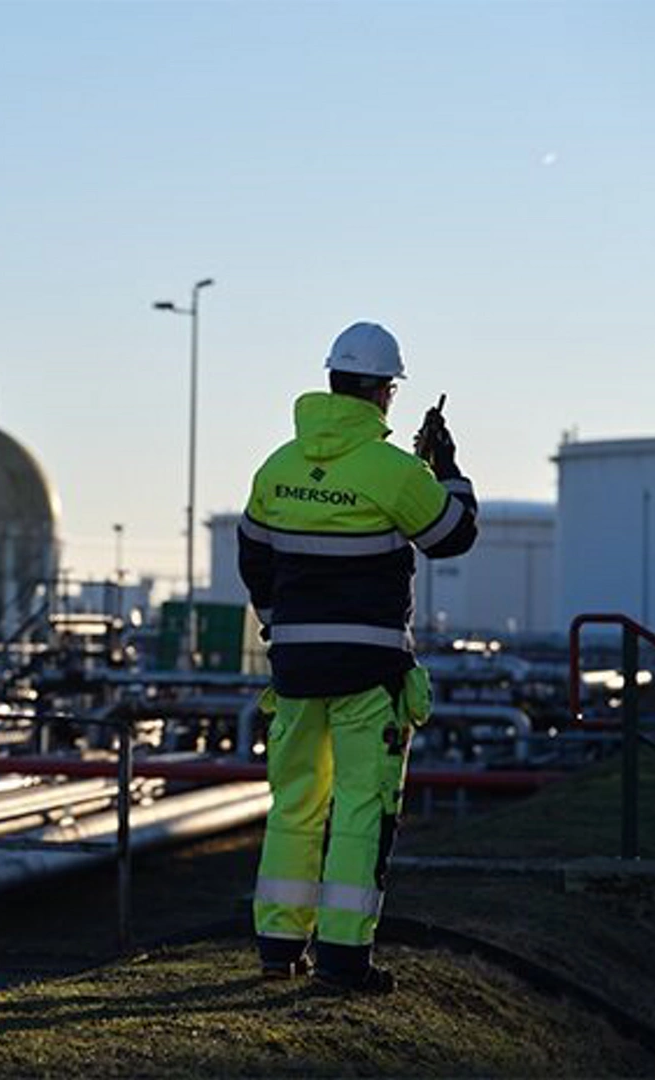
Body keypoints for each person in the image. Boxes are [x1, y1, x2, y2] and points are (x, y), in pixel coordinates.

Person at [237, 320, 477, 994]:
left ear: (332, 381)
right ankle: (344, 958)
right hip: (368, 674)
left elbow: (252, 555)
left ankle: (278, 947)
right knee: (360, 808)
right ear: (384, 393)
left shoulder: (277, 468)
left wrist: (283, 624)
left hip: (295, 669)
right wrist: (447, 469)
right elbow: (453, 536)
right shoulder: (392, 471)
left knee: (294, 805)